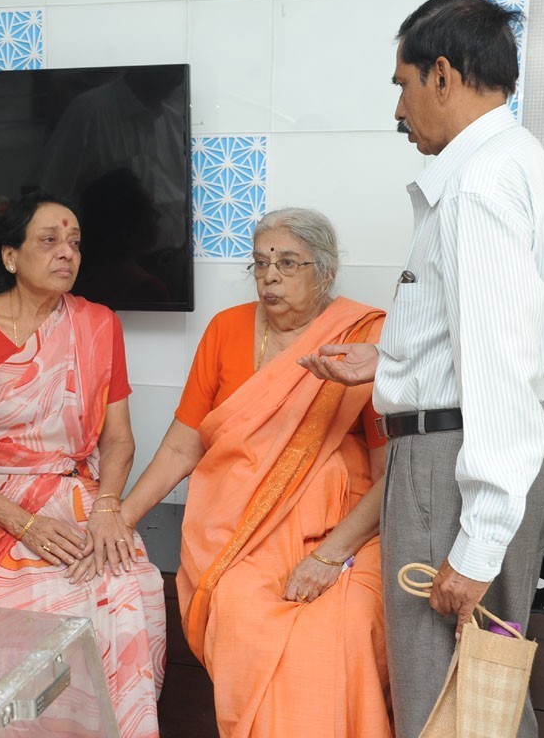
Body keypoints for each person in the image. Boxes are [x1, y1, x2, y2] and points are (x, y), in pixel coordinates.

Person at [302, 0, 544, 737]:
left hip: (453, 470)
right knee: (480, 697)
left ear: (443, 76)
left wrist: (478, 540)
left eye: (402, 84)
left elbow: (496, 369)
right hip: (485, 455)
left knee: (441, 702)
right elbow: (488, 340)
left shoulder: (478, 189)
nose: (398, 109)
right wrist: (390, 358)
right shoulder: (519, 165)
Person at [107, 208, 392, 737]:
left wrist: (330, 556)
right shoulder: (226, 330)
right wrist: (122, 517)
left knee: (343, 626)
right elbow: (180, 446)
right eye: (259, 263)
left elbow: (391, 473)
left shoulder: (365, 337)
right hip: (238, 530)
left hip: (348, 533)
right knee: (240, 609)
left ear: (324, 272)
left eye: (287, 263)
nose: (269, 276)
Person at [0, 192, 166, 737]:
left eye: (75, 243)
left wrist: (109, 509)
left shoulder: (98, 324)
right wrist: (25, 524)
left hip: (81, 502)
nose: (67, 253)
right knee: (15, 623)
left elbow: (119, 440)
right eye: (50, 240)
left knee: (130, 596)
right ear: (11, 256)